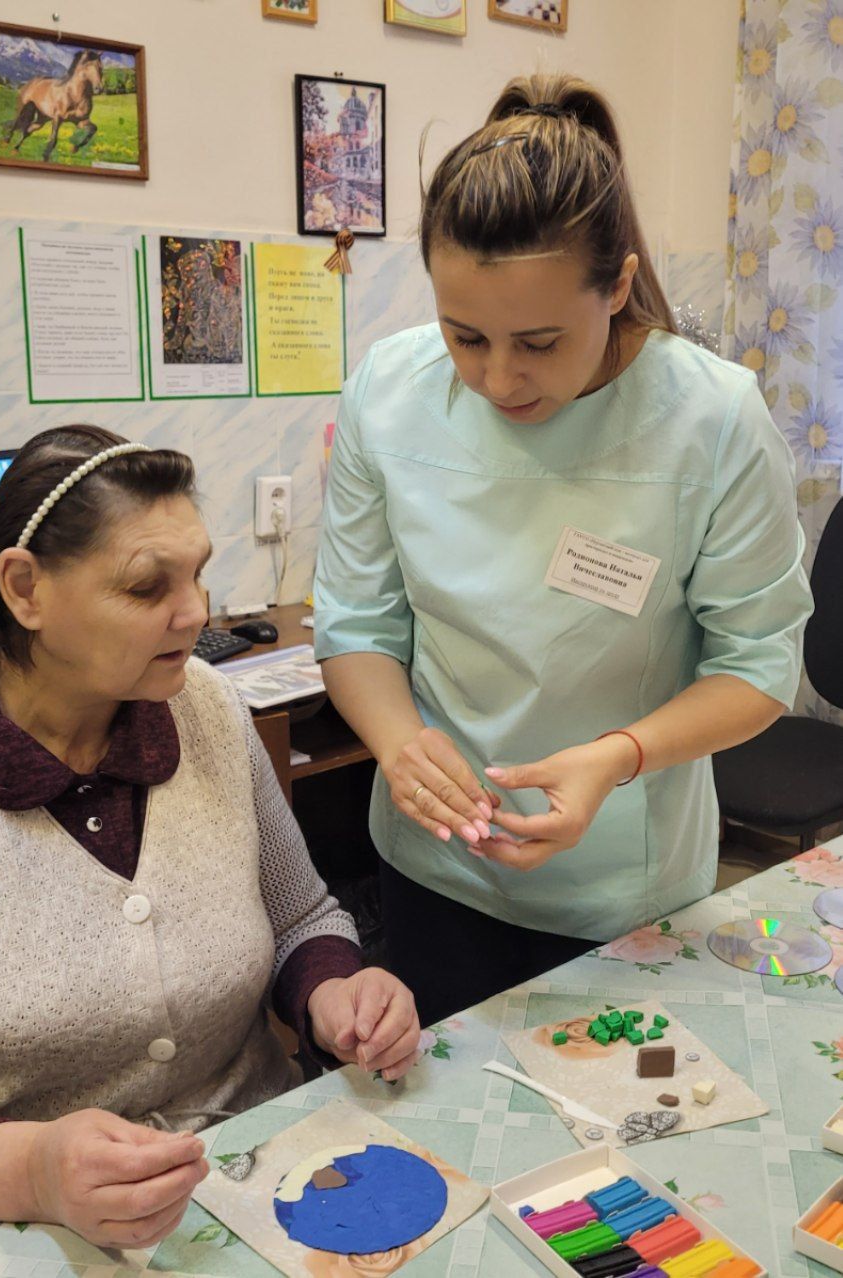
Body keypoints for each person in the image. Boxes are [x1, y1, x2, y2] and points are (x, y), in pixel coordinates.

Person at [0, 426, 420, 1277]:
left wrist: (335, 988)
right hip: (3, 1241)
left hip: (248, 1185)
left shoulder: (208, 712)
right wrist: (28, 1170)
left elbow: (301, 917)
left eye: (196, 571)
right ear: (24, 589)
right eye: (148, 586)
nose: (193, 611)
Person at [313, 73, 812, 1027]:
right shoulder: (388, 391)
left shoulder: (709, 418)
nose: (499, 378)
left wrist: (618, 757)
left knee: (620, 1153)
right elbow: (354, 623)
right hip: (433, 868)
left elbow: (756, 668)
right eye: (465, 337)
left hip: (621, 887)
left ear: (617, 285)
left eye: (538, 342)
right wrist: (399, 745)